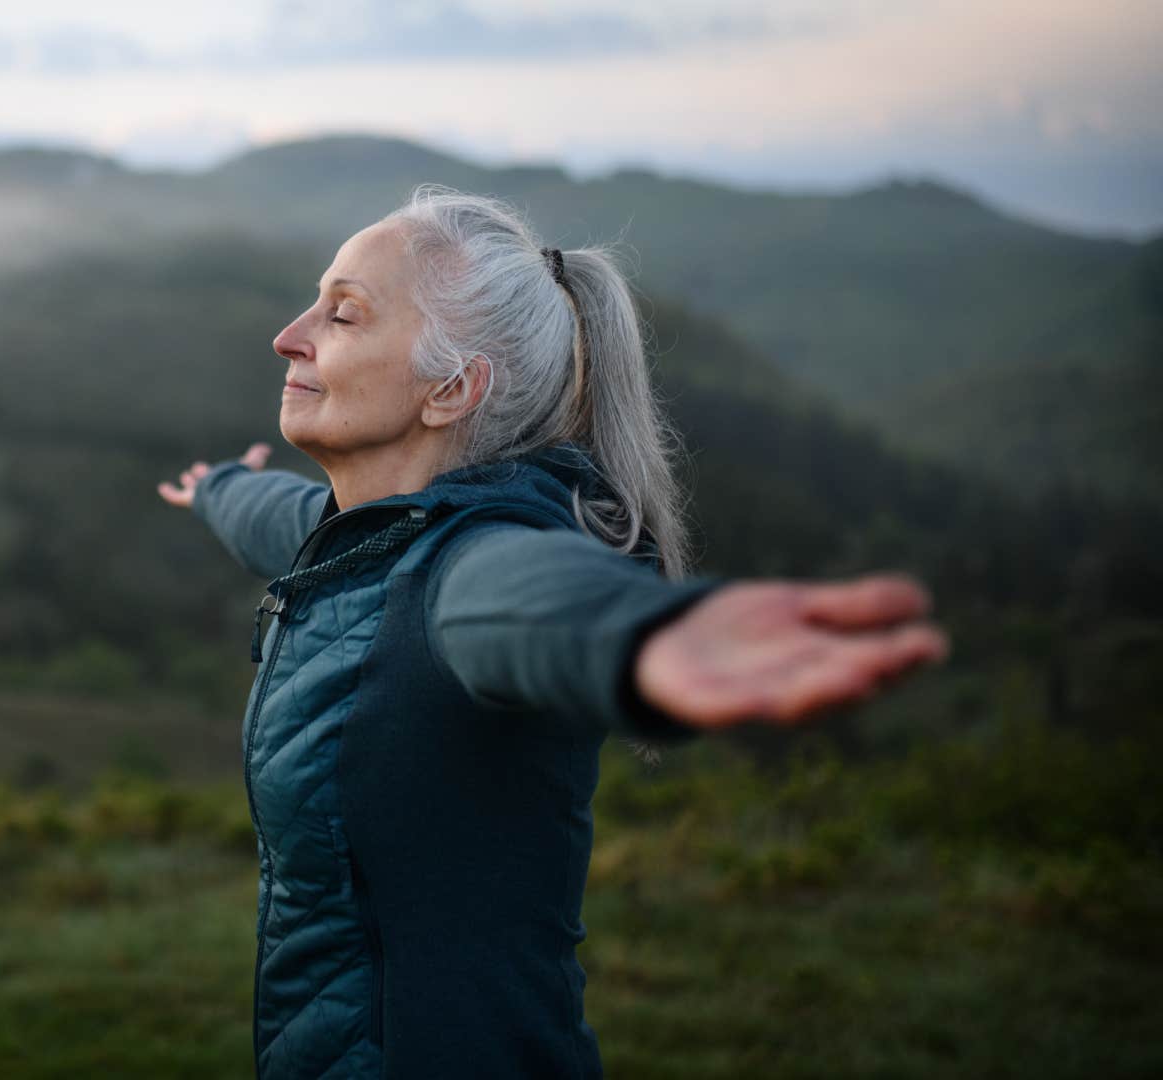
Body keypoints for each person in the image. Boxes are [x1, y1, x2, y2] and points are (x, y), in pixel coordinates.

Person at [155, 186, 948, 1078]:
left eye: (342, 315)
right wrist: (218, 489)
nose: (289, 335)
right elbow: (287, 518)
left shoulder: (470, 564)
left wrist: (644, 636)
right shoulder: (368, 537)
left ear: (452, 390)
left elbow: (530, 598)